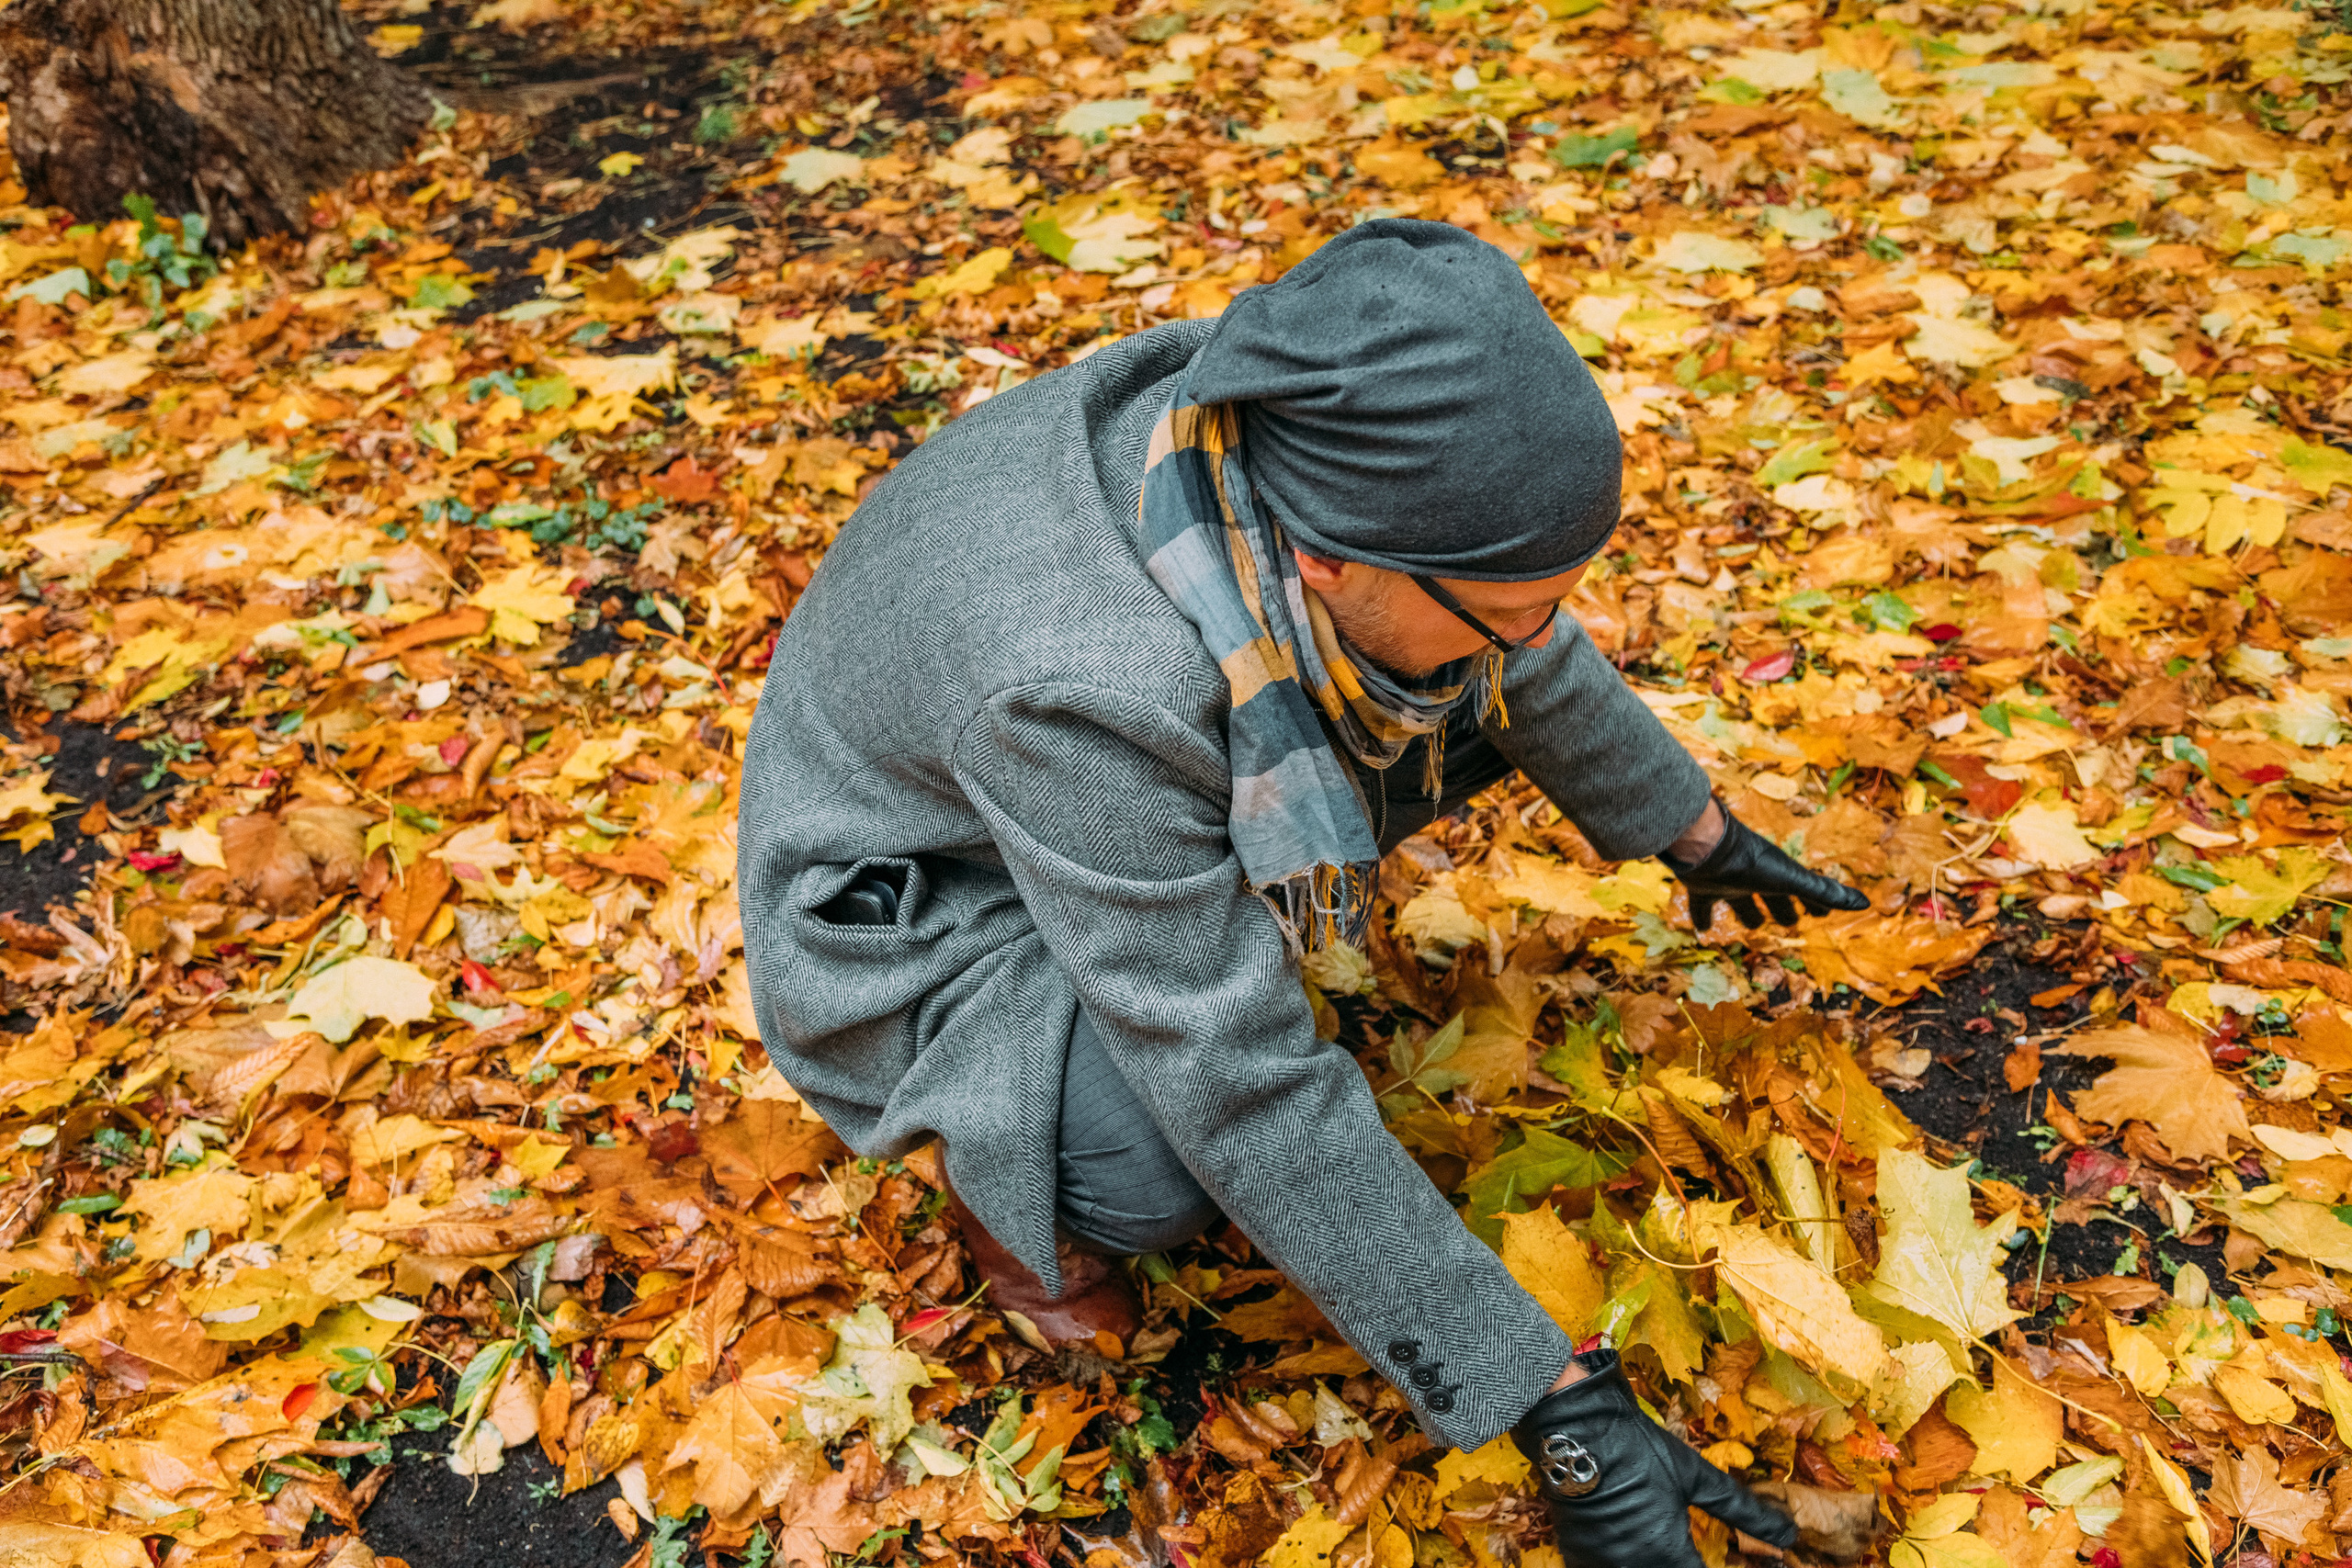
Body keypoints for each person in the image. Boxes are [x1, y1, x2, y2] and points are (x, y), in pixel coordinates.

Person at [738, 219, 1867, 1568]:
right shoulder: (1091, 687)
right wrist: (1545, 1395)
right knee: (1154, 1168)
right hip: (918, 914)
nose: (1537, 634)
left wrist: (1693, 830)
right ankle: (1005, 1188)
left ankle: (1190, 896)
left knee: (1448, 680)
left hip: (1070, 796)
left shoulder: (1270, 440)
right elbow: (1242, 1077)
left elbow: (1519, 645)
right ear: (1329, 561)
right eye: (1511, 608)